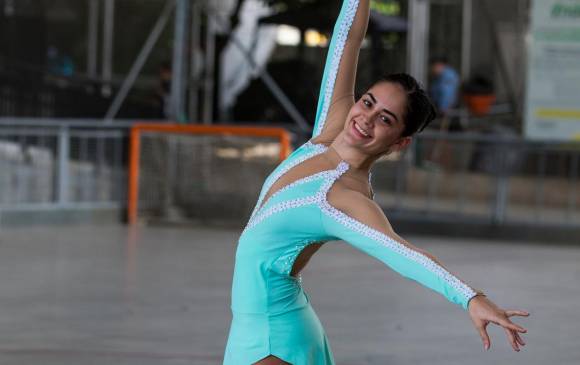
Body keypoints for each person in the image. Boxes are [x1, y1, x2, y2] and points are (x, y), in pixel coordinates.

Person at [223, 1, 529, 364]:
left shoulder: (344, 198)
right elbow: (347, 38)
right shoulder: (329, 130)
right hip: (253, 328)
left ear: (400, 142)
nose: (365, 119)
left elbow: (403, 254)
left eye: (385, 119)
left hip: (274, 339)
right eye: (367, 102)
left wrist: (470, 297)